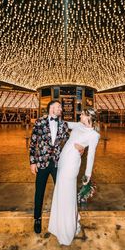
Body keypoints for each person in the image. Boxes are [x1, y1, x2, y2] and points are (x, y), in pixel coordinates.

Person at [48, 108, 100, 246]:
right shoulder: (78, 125)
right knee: (61, 192)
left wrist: (87, 175)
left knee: (67, 194)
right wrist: (53, 113)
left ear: (88, 117)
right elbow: (64, 123)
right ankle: (59, 225)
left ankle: (67, 229)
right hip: (63, 160)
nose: (80, 115)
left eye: (82, 114)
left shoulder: (94, 135)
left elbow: (91, 156)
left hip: (71, 165)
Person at [29, 100, 83, 234]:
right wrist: (32, 162)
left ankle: (61, 220)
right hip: (42, 162)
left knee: (61, 191)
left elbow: (70, 140)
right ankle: (37, 218)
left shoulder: (63, 124)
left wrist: (79, 147)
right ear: (51, 108)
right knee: (39, 192)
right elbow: (33, 142)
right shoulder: (40, 122)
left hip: (58, 164)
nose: (61, 109)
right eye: (59, 107)